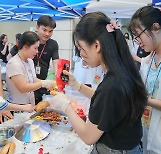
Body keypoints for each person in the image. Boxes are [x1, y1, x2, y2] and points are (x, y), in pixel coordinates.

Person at [51, 12, 147, 153]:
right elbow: (107, 101)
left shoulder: (112, 85)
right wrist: (78, 86)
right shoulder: (123, 72)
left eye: (81, 48)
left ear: (96, 45)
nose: (81, 55)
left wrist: (66, 106)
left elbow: (88, 137)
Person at [128, 6, 161, 154]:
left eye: (138, 35)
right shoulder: (147, 61)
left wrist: (147, 100)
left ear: (156, 27)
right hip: (144, 135)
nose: (137, 41)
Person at [6, 31, 54, 109]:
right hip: (17, 108)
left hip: (29, 106)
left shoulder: (30, 61)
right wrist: (43, 83)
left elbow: (33, 79)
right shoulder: (14, 63)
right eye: (35, 48)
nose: (37, 51)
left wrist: (48, 84)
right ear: (25, 47)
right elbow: (23, 88)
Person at [33, 15, 59, 104]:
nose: (47, 34)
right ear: (37, 27)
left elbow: (56, 64)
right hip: (28, 83)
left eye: (50, 31)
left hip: (44, 83)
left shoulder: (53, 44)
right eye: (44, 30)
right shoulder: (29, 40)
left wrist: (58, 80)